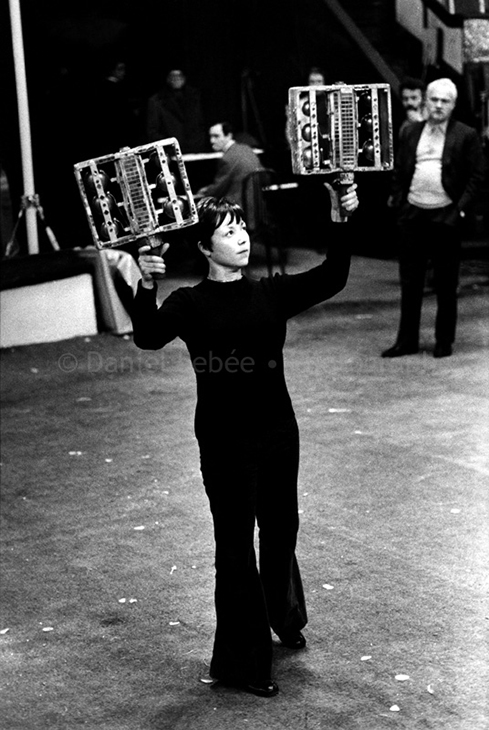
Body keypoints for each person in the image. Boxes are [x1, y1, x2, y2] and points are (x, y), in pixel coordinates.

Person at [130, 184, 359, 697]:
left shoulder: (269, 292)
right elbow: (147, 336)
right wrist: (144, 285)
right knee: (234, 549)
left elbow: (334, 276)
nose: (241, 236)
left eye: (242, 227)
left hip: (279, 433)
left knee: (280, 536)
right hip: (226, 443)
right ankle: (244, 664)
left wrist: (339, 218)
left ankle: (282, 615)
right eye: (227, 230)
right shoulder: (189, 303)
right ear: (206, 248)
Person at [382, 77, 485, 359]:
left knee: (445, 283)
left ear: (453, 105)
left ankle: (444, 341)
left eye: (445, 101)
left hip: (446, 215)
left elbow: (478, 177)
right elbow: (399, 170)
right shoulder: (411, 132)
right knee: (410, 282)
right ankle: (406, 341)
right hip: (413, 214)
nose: (438, 106)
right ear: (426, 101)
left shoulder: (465, 135)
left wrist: (458, 210)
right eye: (434, 100)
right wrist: (401, 203)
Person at [195, 121, 263, 210]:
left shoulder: (227, 158)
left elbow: (219, 188)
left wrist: (204, 192)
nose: (212, 141)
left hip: (237, 207)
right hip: (257, 205)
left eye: (216, 136)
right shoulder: (247, 149)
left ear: (229, 136)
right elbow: (264, 177)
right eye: (210, 136)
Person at [146, 68, 207, 153]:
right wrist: (169, 144)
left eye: (179, 76)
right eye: (173, 77)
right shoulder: (156, 101)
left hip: (196, 149)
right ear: (167, 79)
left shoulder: (195, 97)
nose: (177, 79)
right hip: (171, 151)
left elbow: (201, 123)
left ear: (184, 78)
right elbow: (152, 130)